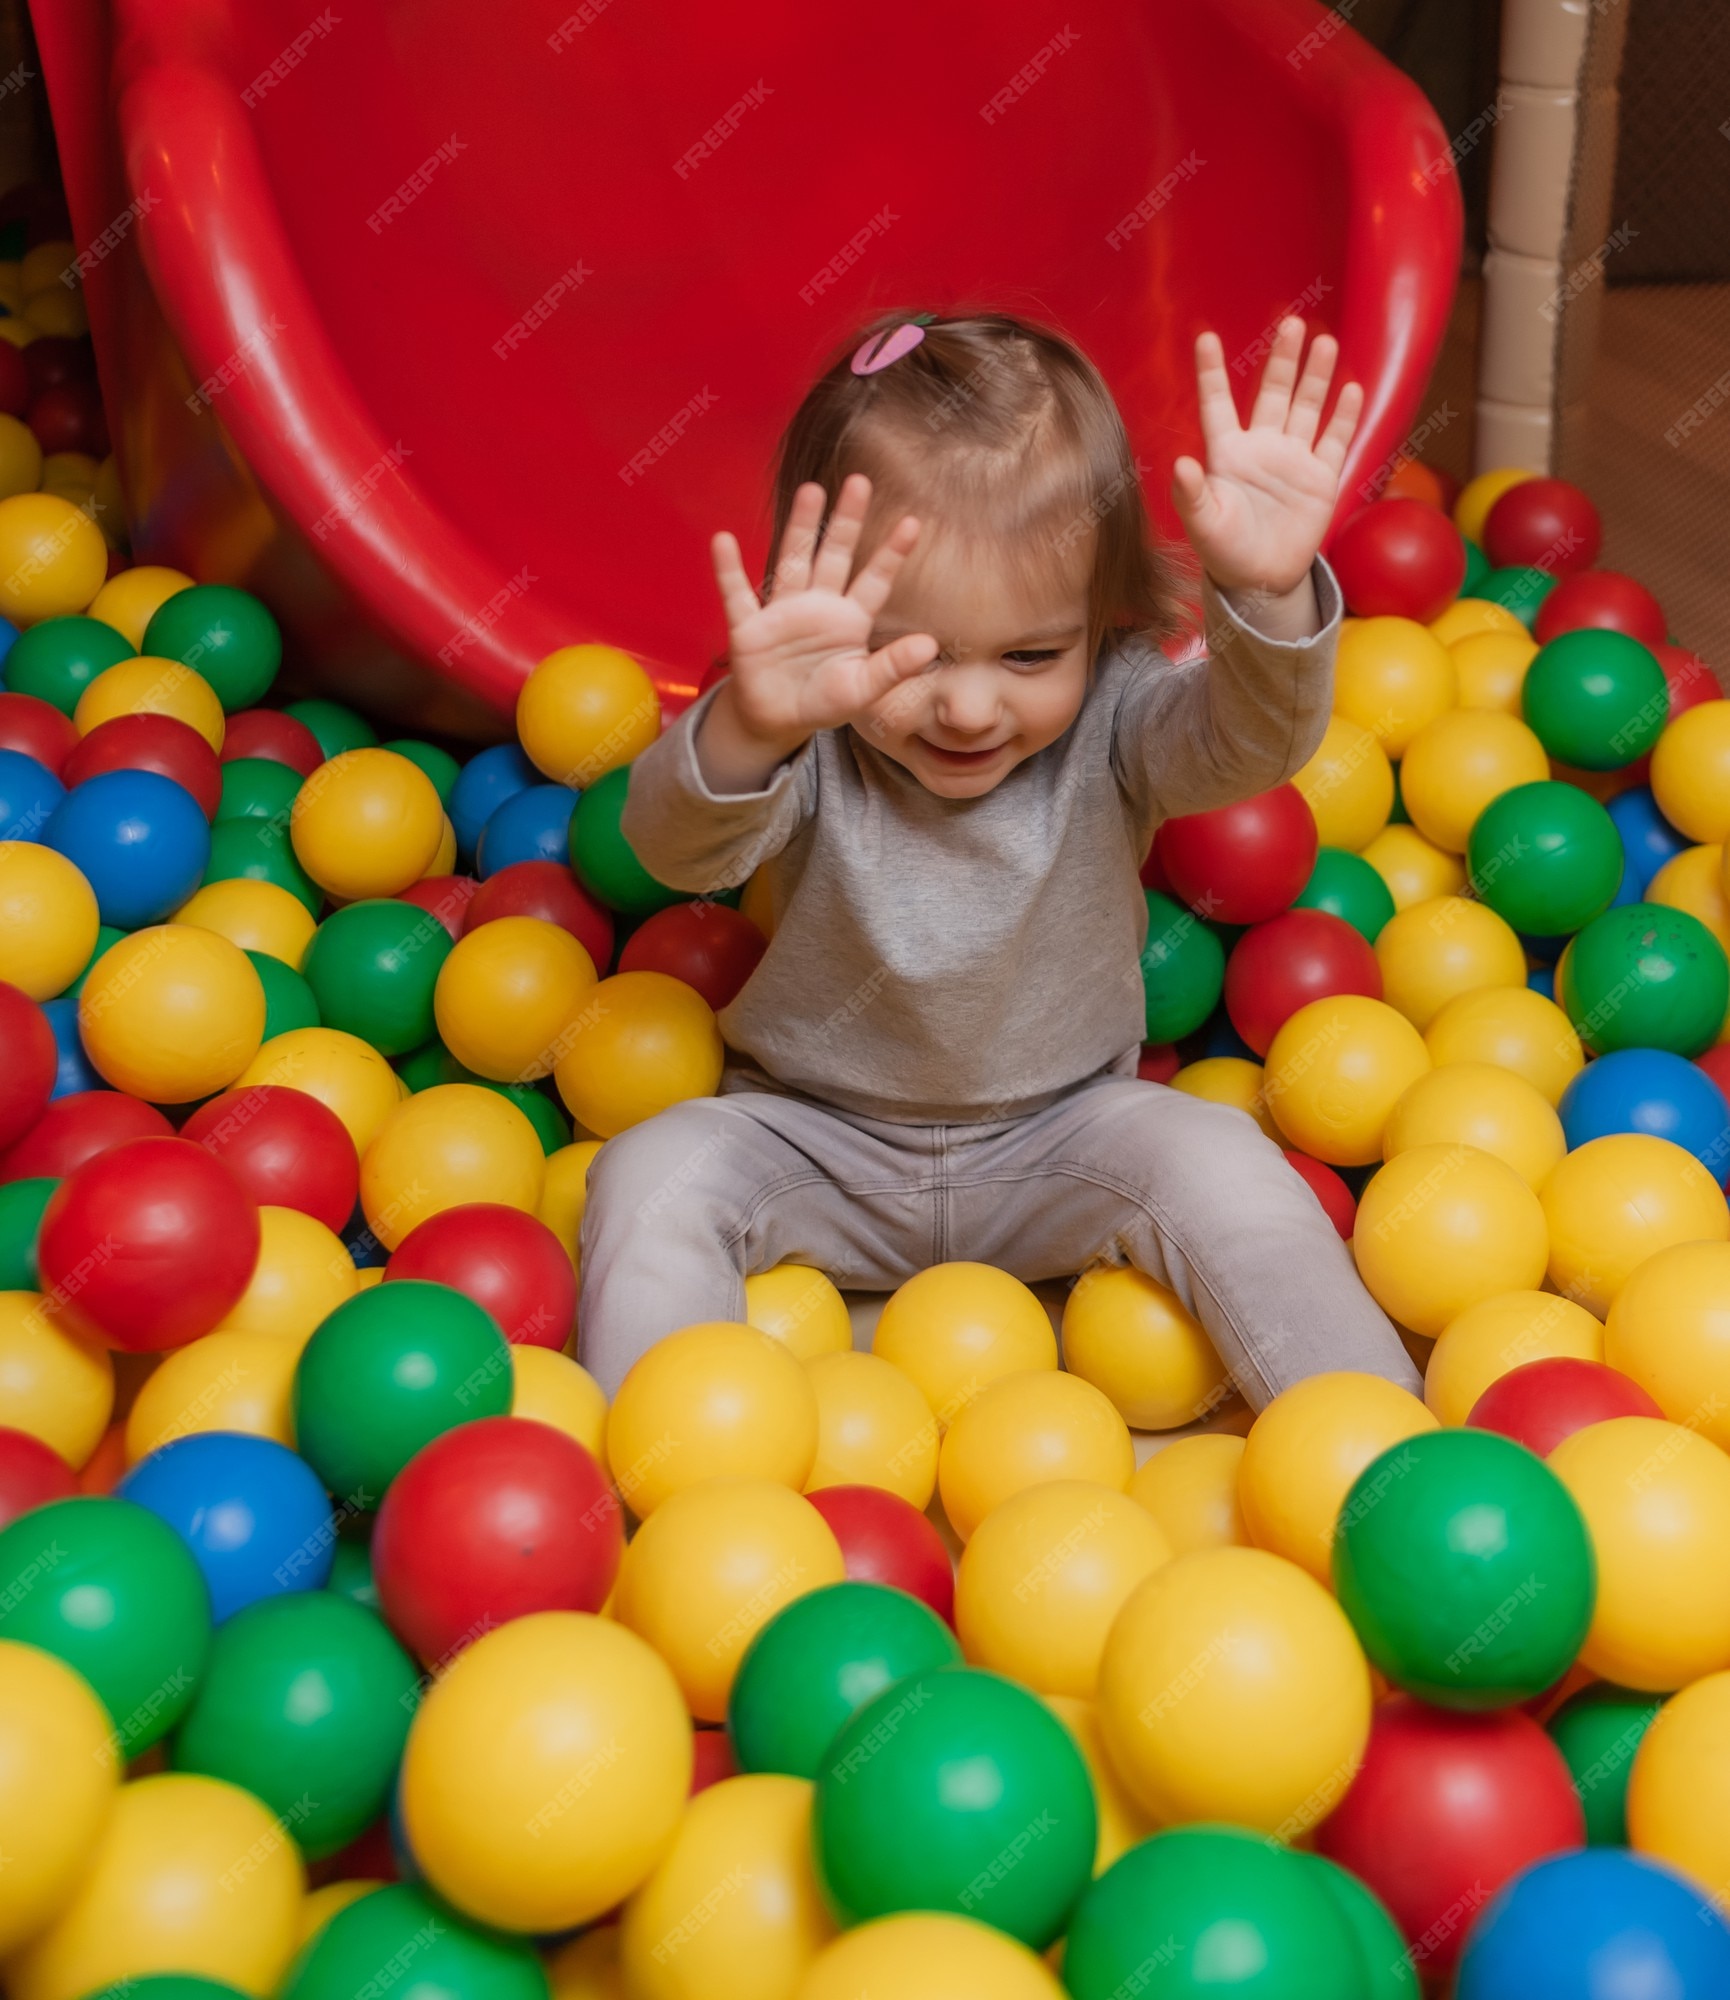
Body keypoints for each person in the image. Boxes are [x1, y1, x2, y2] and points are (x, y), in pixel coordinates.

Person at [576, 306, 1421, 1406]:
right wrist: (750, 724)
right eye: (909, 653)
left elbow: (1250, 740)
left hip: (1067, 1135)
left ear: (1101, 619)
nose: (969, 707)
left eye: (1031, 652)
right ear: (828, 617)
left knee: (1225, 1163)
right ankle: (654, 1496)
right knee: (649, 1172)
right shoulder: (814, 727)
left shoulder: (1119, 717)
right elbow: (674, 850)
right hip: (819, 1137)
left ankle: (1386, 1458)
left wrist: (1265, 591)